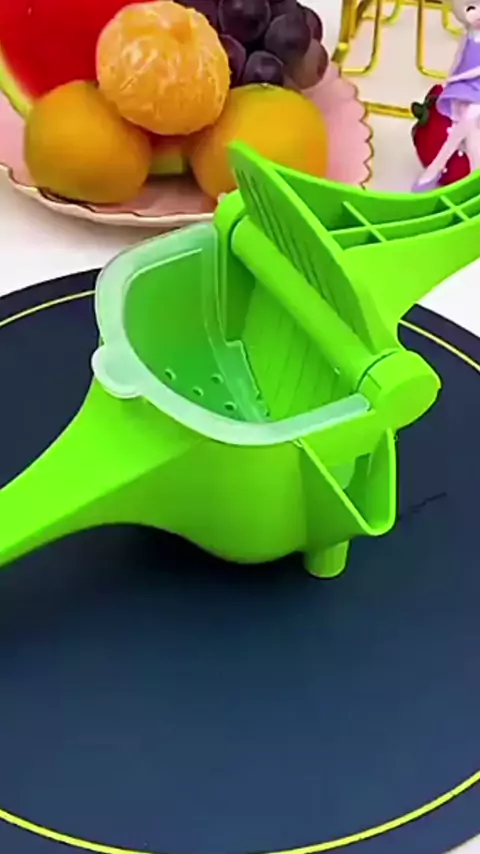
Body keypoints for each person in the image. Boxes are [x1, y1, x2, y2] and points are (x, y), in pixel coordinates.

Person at [413, 1, 480, 190]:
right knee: (471, 130)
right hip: (465, 87)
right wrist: (450, 80)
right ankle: (474, 177)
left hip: (474, 85)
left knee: (470, 116)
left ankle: (436, 167)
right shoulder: (469, 36)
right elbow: (459, 60)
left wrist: (459, 77)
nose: (478, 14)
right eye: (470, 9)